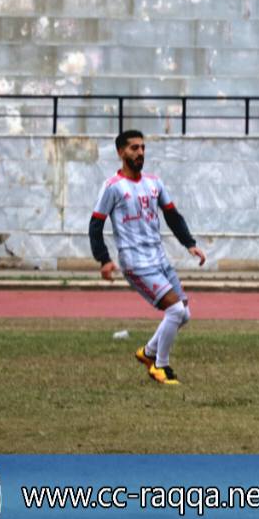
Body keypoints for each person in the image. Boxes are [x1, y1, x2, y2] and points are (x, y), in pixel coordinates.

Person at [89, 130, 206, 386]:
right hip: (136, 263)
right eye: (134, 148)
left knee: (184, 314)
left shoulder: (154, 183)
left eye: (142, 147)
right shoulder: (112, 187)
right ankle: (160, 366)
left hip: (159, 259)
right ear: (121, 152)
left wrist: (190, 244)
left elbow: (172, 215)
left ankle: (149, 352)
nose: (140, 152)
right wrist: (104, 259)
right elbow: (95, 225)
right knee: (175, 309)